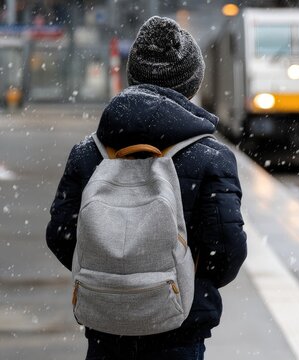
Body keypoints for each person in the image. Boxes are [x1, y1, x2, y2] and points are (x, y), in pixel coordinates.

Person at [46, 16, 247, 360]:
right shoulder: (212, 157)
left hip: (105, 334)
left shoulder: (88, 153)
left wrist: (112, 280)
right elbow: (226, 252)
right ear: (192, 83)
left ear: (132, 76)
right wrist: (175, 285)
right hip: (179, 334)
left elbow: (61, 234)